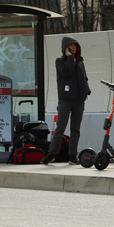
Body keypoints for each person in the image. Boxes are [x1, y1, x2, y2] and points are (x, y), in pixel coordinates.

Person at [41, 36, 91, 165]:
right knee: (61, 127)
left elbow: (84, 78)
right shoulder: (60, 61)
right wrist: (69, 57)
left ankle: (72, 155)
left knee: (76, 129)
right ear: (65, 48)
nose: (73, 48)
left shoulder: (80, 62)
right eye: (71, 45)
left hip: (79, 100)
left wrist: (86, 90)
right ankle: (52, 153)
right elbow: (67, 72)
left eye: (75, 45)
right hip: (65, 100)